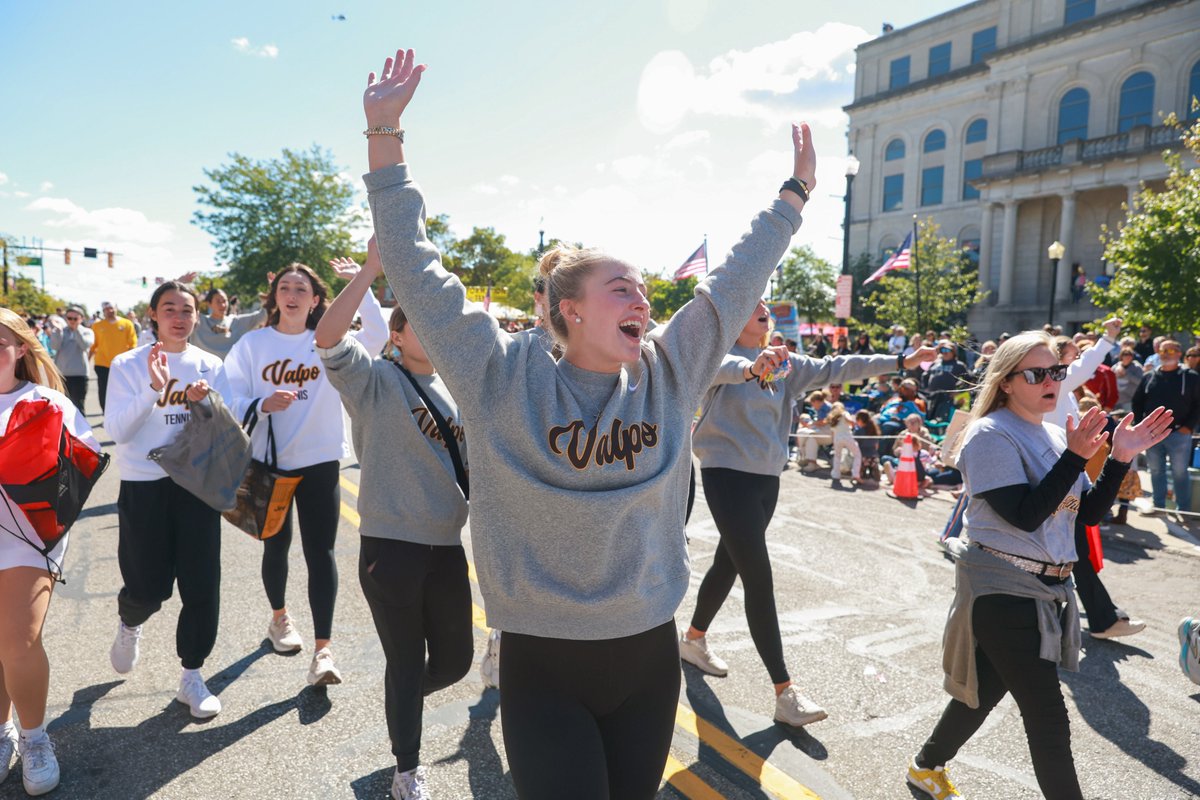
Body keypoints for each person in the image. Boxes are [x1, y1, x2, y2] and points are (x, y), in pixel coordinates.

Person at [362, 46, 813, 798]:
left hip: (647, 657)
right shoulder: (498, 374)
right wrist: (384, 138)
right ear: (569, 308)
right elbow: (416, 269)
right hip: (542, 662)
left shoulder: (670, 373)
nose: (641, 300)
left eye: (642, 289)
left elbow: (735, 284)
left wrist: (792, 197)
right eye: (619, 288)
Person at [906, 331, 1172, 800]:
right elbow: (1025, 516)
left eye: (1056, 371)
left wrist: (1121, 457)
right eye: (1036, 373)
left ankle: (925, 766)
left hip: (1042, 588)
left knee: (982, 693)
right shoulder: (989, 434)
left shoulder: (1053, 432)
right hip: (1002, 587)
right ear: (1006, 382)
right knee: (1048, 717)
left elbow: (1085, 515)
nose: (1051, 381)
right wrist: (1075, 455)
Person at [685, 305, 918, 728]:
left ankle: (693, 639)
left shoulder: (786, 363)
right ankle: (784, 692)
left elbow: (838, 367)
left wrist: (901, 361)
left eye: (763, 308)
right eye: (750, 306)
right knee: (758, 576)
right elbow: (728, 368)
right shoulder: (717, 356)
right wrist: (752, 365)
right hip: (726, 475)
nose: (760, 310)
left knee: (728, 562)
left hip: (766, 480)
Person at [315, 239, 471, 799]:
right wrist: (369, 271)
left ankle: (399, 702)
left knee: (454, 663)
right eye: (420, 323)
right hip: (391, 547)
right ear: (397, 336)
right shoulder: (374, 378)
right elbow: (328, 336)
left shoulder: (453, 389)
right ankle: (407, 767)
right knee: (407, 663)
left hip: (446, 546)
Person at [218, 261, 388, 686]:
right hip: (269, 466)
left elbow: (379, 336)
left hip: (321, 461)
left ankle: (323, 651)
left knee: (321, 553)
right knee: (276, 548)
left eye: (301, 289)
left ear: (315, 300)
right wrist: (259, 405)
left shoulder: (328, 340)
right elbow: (226, 396)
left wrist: (360, 280)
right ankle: (279, 619)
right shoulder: (253, 345)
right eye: (284, 287)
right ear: (275, 297)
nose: (292, 294)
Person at [104, 283, 227, 720]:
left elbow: (220, 430)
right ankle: (130, 622)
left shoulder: (210, 365)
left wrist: (204, 404)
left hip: (195, 486)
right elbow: (118, 431)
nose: (179, 316)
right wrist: (152, 390)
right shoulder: (127, 364)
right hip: (144, 485)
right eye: (169, 308)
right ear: (153, 314)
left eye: (187, 310)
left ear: (196, 317)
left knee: (201, 584)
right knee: (148, 586)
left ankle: (191, 675)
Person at [0, 310, 101, 796]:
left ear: (20, 348)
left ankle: (36, 738)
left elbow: (84, 466)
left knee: (18, 641)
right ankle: (3, 735)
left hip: (26, 539)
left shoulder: (46, 401)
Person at [1132, 339, 1200, 518]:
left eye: (1170, 351)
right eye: (1162, 351)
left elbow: (1198, 404)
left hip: (1179, 433)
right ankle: (1159, 505)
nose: (1165, 354)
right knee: (1155, 470)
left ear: (1179, 354)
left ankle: (1183, 510)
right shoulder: (1149, 376)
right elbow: (1137, 402)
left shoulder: (1190, 377)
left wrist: (1188, 427)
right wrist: (1140, 425)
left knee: (1179, 472)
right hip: (1152, 434)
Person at [189, 286, 268, 359]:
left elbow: (262, 316)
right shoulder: (198, 321)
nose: (223, 305)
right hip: (203, 372)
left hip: (231, 372)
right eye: (218, 301)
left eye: (224, 301)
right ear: (209, 304)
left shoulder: (237, 322)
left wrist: (272, 293)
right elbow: (183, 306)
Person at [88, 301, 137, 413]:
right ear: (103, 311)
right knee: (103, 391)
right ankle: (106, 414)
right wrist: (88, 360)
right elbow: (93, 345)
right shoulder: (97, 325)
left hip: (122, 365)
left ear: (116, 308)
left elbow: (132, 345)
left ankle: (120, 412)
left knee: (121, 390)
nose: (110, 311)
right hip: (102, 364)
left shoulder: (127, 324)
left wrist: (131, 363)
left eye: (111, 308)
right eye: (107, 309)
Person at [49, 307, 94, 413]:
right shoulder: (60, 331)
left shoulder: (88, 332)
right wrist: (58, 332)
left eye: (75, 318)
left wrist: (77, 330)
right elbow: (54, 346)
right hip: (62, 375)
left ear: (81, 319)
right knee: (61, 406)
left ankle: (80, 429)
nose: (72, 321)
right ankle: (64, 430)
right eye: (70, 318)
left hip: (80, 375)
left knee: (78, 406)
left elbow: (84, 345)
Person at [1112, 347, 1144, 412]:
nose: (1128, 356)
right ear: (1121, 356)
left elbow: (1140, 382)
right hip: (1116, 400)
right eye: (1125, 354)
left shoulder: (1137, 367)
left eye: (1130, 354)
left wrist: (1126, 374)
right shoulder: (1115, 367)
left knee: (1129, 419)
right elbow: (1110, 381)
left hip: (1129, 400)